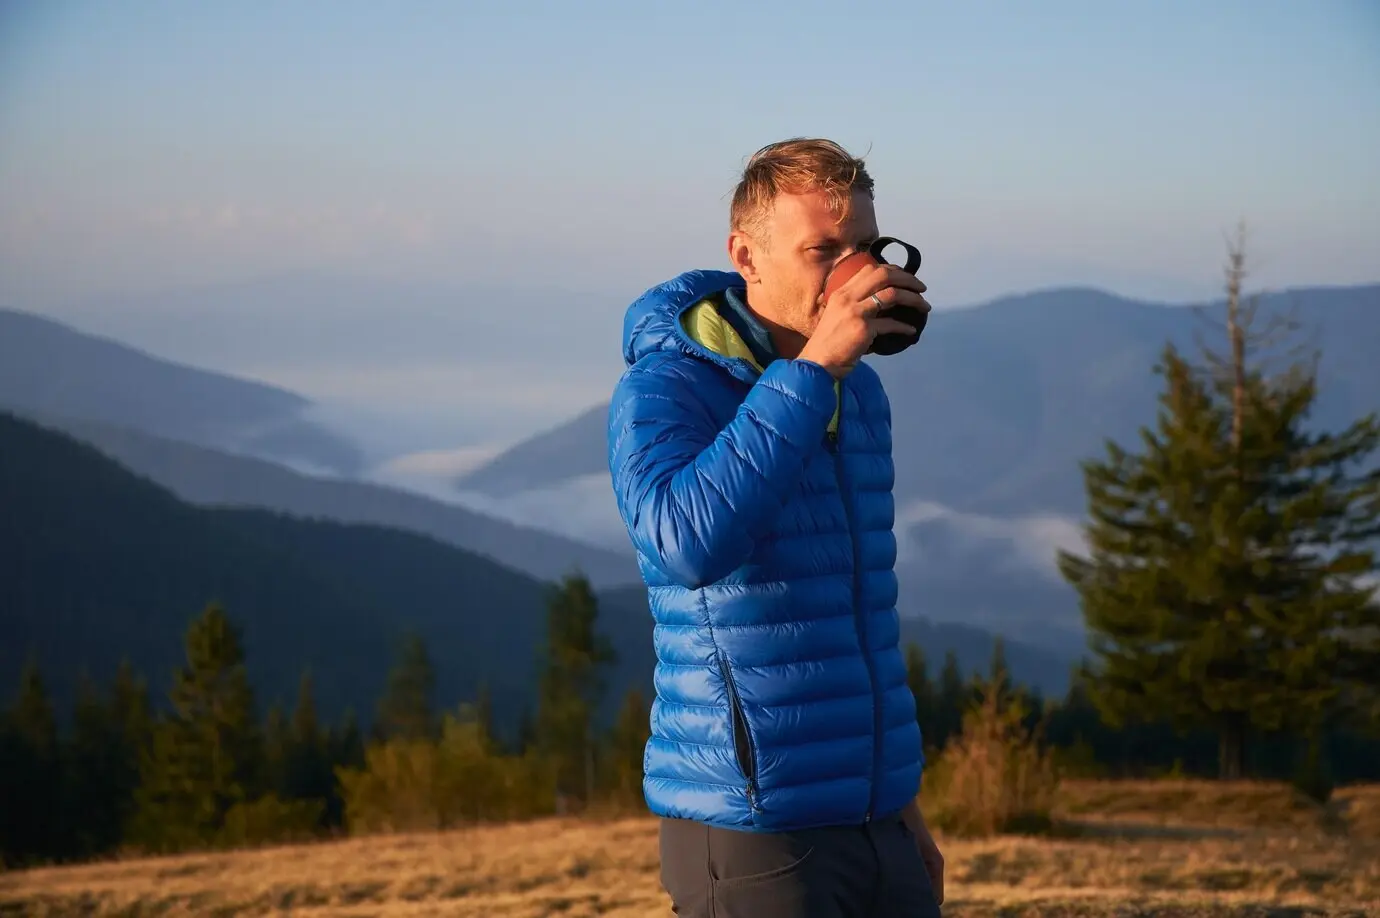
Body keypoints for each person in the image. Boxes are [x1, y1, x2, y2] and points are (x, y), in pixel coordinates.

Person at [606, 137, 943, 918]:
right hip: (754, 824)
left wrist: (903, 814)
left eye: (865, 247)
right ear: (745, 256)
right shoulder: (665, 386)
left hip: (875, 818)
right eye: (824, 251)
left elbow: (856, 621)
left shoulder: (859, 392)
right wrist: (809, 373)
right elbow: (686, 544)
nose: (854, 272)